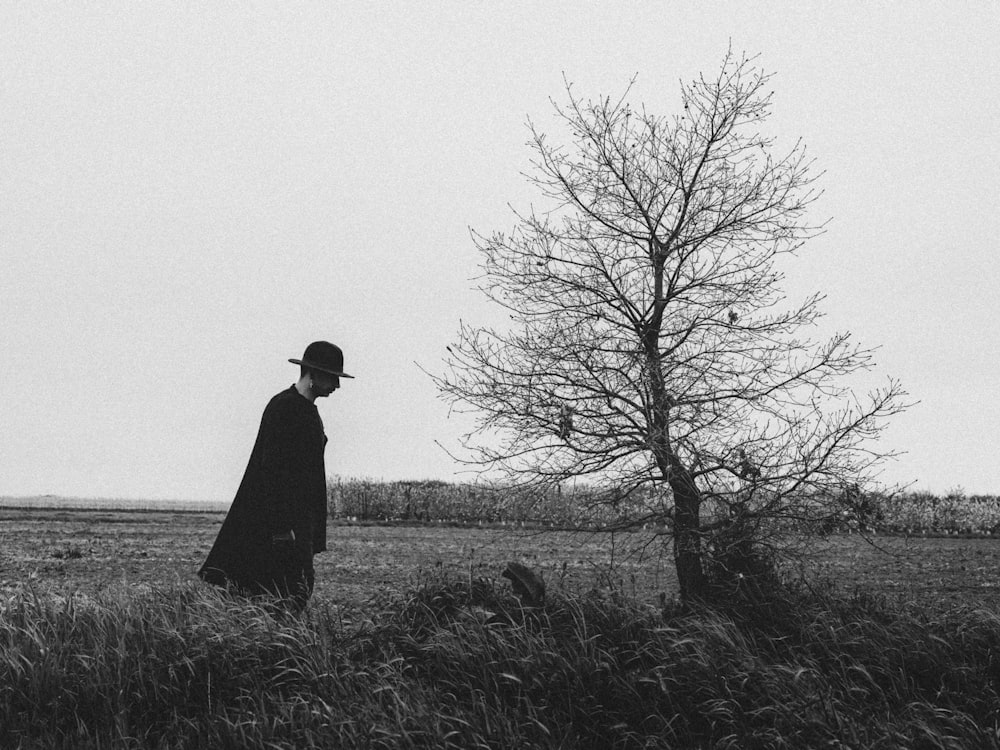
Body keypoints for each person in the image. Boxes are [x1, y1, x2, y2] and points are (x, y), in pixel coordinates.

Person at [198, 341, 353, 613]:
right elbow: (270, 472)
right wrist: (283, 528)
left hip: (299, 525)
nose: (337, 386)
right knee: (284, 595)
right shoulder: (284, 407)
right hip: (280, 529)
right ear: (312, 374)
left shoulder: (308, 412)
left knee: (293, 593)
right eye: (332, 377)